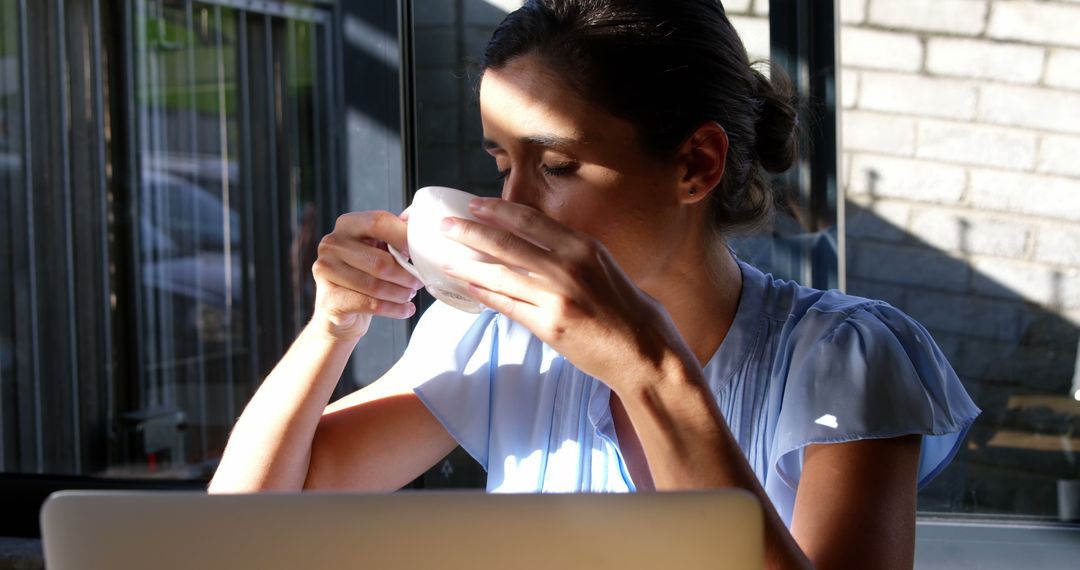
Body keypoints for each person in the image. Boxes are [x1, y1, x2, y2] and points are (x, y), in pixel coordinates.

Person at [209, 1, 980, 568]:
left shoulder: (845, 360)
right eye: (502, 162)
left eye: (558, 166)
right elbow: (244, 533)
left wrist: (649, 370)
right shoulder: (495, 339)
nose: (513, 207)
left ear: (695, 166)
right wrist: (334, 327)